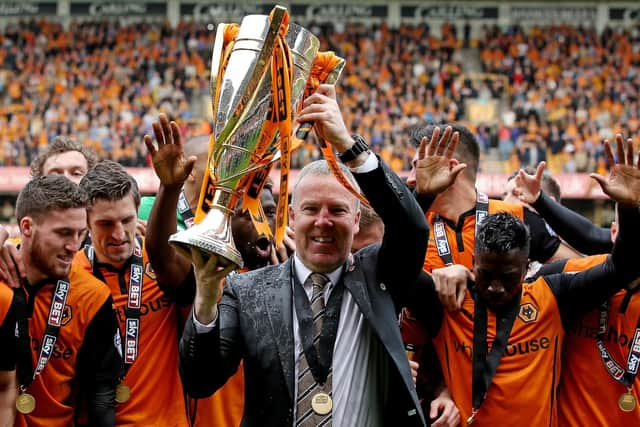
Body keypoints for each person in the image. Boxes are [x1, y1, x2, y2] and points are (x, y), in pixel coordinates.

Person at [179, 84, 431, 426]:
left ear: (357, 220)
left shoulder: (378, 276)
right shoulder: (248, 291)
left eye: (338, 211)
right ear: (292, 217)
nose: (323, 221)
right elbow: (200, 380)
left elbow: (411, 229)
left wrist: (347, 145)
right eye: (311, 208)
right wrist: (207, 298)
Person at [407, 134, 640, 425]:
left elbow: (623, 267)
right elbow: (394, 266)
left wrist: (630, 209)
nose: (495, 287)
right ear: (474, 264)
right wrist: (422, 198)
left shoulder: (551, 295)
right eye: (485, 274)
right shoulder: (449, 300)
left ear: (527, 266)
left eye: (509, 277)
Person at [142, 115, 287, 427]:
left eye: (270, 213)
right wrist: (170, 188)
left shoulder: (289, 272)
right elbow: (164, 258)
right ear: (227, 220)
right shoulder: (211, 271)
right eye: (248, 213)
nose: (263, 222)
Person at [74, 160, 193, 426]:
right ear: (86, 222)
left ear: (137, 211)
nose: (118, 234)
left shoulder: (164, 265)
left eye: (126, 220)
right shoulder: (71, 275)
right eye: (105, 223)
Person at [3, 175, 122, 427]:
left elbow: (100, 396)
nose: (74, 246)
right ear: (27, 227)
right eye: (63, 233)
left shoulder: (92, 296)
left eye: (81, 233)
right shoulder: (1, 275)